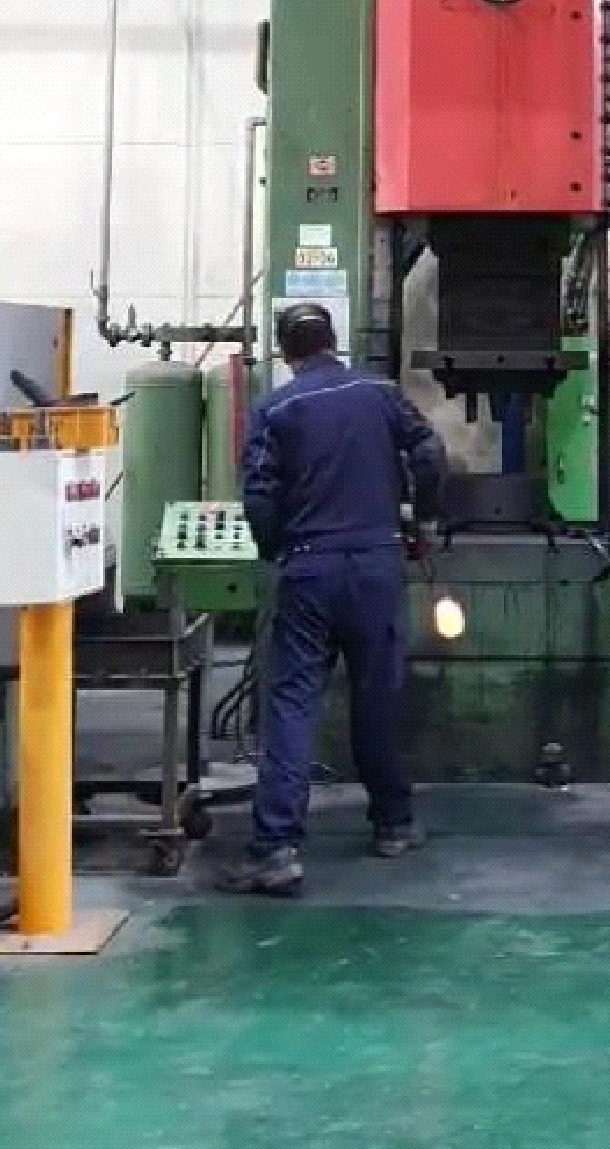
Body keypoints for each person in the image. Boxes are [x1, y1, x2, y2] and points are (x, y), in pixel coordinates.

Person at [217, 301, 447, 896]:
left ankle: (277, 849)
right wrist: (424, 519)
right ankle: (394, 823)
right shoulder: (380, 394)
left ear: (285, 351)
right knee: (378, 695)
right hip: (377, 565)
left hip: (309, 569)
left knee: (293, 704)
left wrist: (277, 547)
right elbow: (429, 452)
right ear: (333, 341)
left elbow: (259, 496)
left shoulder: (275, 409)